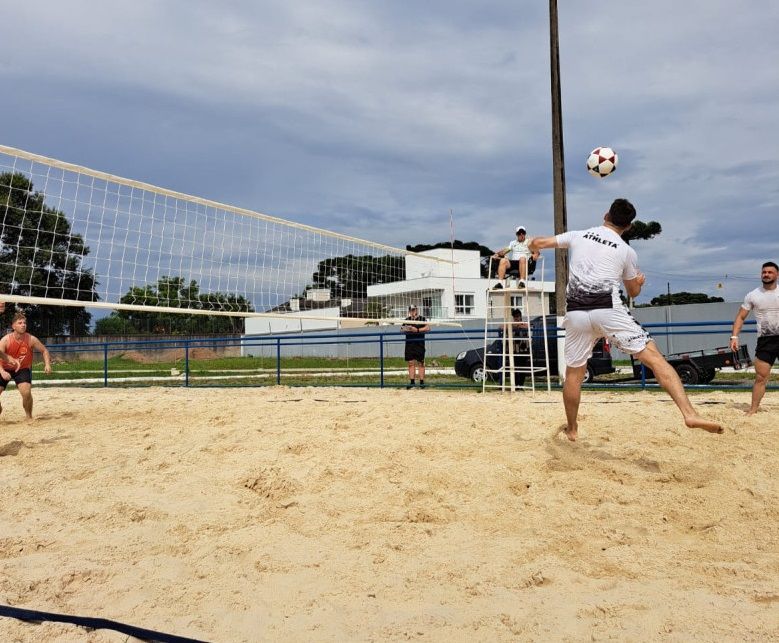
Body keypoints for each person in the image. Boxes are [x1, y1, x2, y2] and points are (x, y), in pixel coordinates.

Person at [528, 198, 722, 440]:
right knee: (657, 361)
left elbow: (537, 241)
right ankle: (689, 414)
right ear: (628, 226)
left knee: (574, 375)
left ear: (605, 214)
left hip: (576, 313)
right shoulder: (626, 251)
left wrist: (533, 250)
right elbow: (632, 293)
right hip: (608, 311)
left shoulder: (578, 235)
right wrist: (638, 283)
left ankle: (573, 429)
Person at [729, 261, 779, 415]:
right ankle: (753, 409)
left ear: (777, 275)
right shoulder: (753, 295)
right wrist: (734, 336)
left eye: (770, 272)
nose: (766, 274)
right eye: (764, 272)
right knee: (760, 377)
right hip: (766, 341)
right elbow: (740, 317)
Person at [0, 312, 52, 420]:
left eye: (24, 323)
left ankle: (29, 417)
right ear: (13, 326)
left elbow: (44, 350)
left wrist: (47, 364)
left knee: (26, 392)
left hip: (22, 368)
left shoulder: (31, 339)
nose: (23, 325)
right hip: (4, 368)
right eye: (20, 323)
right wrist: (2, 371)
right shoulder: (5, 340)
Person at [402, 305, 430, 389]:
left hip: (419, 344)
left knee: (420, 363)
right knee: (410, 363)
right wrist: (408, 328)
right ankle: (412, 382)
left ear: (417, 310)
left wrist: (417, 330)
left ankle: (421, 382)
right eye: (411, 310)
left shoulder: (422, 319)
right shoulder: (407, 320)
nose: (413, 311)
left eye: (414, 310)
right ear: (409, 311)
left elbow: (428, 328)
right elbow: (401, 329)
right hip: (410, 344)